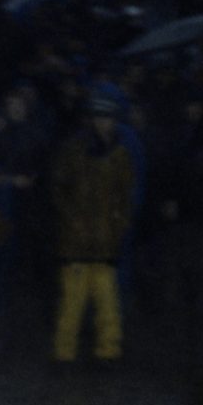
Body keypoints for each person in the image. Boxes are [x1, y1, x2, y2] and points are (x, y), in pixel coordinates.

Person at [48, 92, 137, 365]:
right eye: (98, 117)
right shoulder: (74, 151)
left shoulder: (120, 154)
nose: (102, 123)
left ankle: (107, 351)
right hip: (77, 241)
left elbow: (125, 196)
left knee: (106, 303)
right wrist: (72, 220)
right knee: (73, 303)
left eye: (106, 117)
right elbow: (58, 189)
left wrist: (118, 226)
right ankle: (65, 353)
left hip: (104, 240)